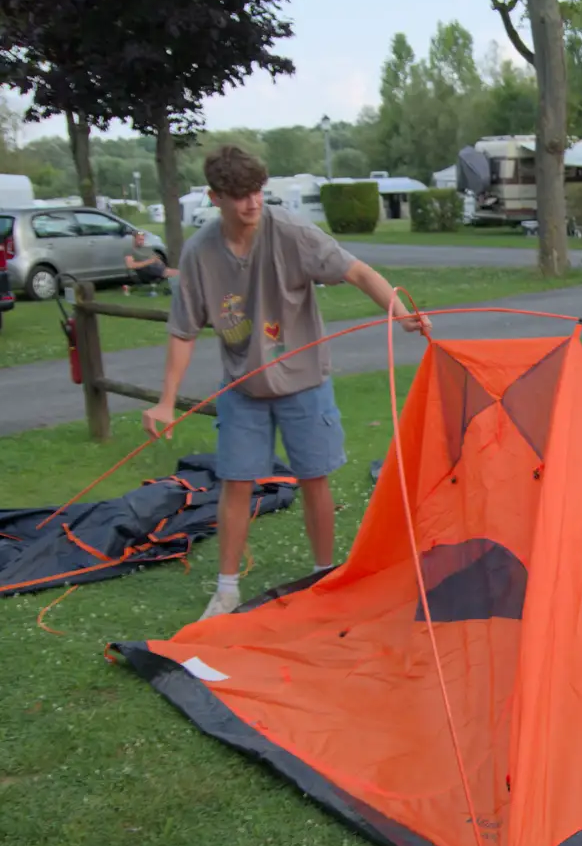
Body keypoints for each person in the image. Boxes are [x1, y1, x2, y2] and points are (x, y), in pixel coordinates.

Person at [142, 145, 431, 622]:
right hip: (244, 389)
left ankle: (323, 577)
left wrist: (397, 311)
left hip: (304, 382)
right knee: (236, 483)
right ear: (215, 198)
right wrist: (166, 402)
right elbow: (183, 331)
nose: (252, 204)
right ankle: (227, 590)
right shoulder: (199, 254)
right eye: (238, 196)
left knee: (314, 478)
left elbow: (356, 271)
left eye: (257, 191)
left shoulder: (293, 233)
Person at [123, 230, 176, 295]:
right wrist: (149, 261)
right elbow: (130, 265)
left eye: (142, 239)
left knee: (176, 272)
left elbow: (155, 258)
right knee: (174, 273)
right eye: (139, 239)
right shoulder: (130, 250)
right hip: (145, 270)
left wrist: (158, 261)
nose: (141, 241)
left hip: (157, 267)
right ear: (134, 239)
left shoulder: (147, 248)